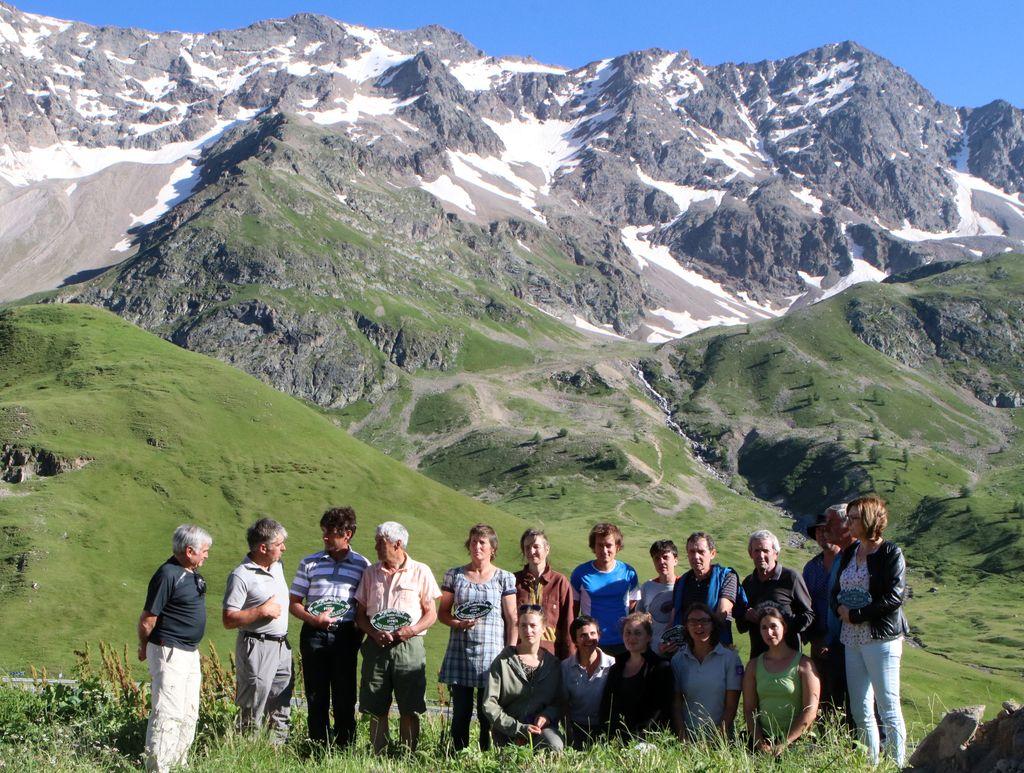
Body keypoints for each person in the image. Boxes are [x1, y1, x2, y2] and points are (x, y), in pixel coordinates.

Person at [832, 494, 909, 766]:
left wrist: (857, 614)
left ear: (868, 519)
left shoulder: (891, 553)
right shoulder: (850, 552)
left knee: (888, 706)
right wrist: (839, 609)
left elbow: (894, 597)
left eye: (853, 518)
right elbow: (837, 589)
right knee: (859, 708)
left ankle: (897, 764)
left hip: (880, 638)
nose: (848, 523)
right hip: (851, 637)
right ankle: (869, 764)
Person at [355, 520, 441, 753]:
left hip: (409, 645)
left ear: (397, 544)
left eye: (380, 542)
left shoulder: (420, 571)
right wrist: (373, 632)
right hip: (376, 645)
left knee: (410, 705)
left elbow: (431, 613)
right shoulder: (370, 573)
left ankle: (408, 754)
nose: (375, 547)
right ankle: (378, 753)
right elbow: (360, 615)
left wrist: (411, 630)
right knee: (375, 703)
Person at [288, 507, 371, 749]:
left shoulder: (363, 565)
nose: (325, 537)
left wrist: (358, 631)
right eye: (324, 532)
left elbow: (364, 605)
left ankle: (345, 746)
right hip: (314, 633)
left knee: (345, 693)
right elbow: (294, 602)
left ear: (348, 534)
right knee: (316, 693)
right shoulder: (310, 563)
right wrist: (314, 620)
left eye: (331, 533)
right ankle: (317, 746)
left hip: (346, 635)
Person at [137, 524, 212, 773]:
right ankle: (159, 767)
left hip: (190, 652)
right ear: (189, 551)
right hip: (169, 651)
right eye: (204, 551)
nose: (207, 555)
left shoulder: (190, 573)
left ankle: (179, 763)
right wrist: (144, 645)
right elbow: (148, 619)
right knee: (168, 711)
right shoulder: (168, 574)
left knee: (189, 712)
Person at [438, 524, 517, 751]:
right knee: (461, 713)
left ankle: (488, 755)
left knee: (487, 713)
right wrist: (457, 623)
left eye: (482, 542)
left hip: (492, 655)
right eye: (473, 542)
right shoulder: (454, 575)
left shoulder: (504, 578)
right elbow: (443, 613)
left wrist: (510, 652)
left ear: (493, 548)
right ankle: (458, 755)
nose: (477, 546)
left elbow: (511, 618)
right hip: (460, 652)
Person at [222, 518, 292, 743]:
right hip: (257, 645)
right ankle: (248, 753)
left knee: (281, 703)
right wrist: (261, 611)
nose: (284, 548)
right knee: (253, 704)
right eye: (279, 544)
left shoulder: (277, 567)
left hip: (282, 646)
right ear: (263, 547)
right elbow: (228, 619)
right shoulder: (241, 575)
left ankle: (276, 753)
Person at [482, 605, 564, 752]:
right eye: (523, 625)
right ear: (518, 628)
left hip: (541, 731)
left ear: (543, 628)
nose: (528, 630)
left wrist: (547, 715)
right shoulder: (503, 661)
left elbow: (559, 701)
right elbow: (489, 704)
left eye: (533, 625)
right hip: (507, 731)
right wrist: (517, 728)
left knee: (555, 745)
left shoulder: (553, 665)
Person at [742, 607, 820, 756]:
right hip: (764, 741)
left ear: (784, 627)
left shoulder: (804, 664)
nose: (769, 632)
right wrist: (760, 742)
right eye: (764, 628)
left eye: (773, 626)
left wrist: (784, 743)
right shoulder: (753, 666)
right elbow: (749, 709)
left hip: (797, 741)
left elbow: (810, 710)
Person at [670, 602, 743, 740]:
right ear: (686, 626)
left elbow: (731, 707)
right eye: (692, 622)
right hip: (688, 738)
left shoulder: (730, 658)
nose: (699, 626)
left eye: (704, 621)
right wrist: (683, 738)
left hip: (720, 739)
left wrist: (717, 739)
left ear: (713, 624)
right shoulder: (678, 660)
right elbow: (676, 705)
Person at [803, 504, 850, 716]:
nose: (822, 535)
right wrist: (815, 638)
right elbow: (806, 606)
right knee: (823, 695)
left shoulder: (849, 561)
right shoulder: (811, 568)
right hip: (819, 642)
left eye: (825, 529)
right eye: (818, 531)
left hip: (847, 640)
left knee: (849, 693)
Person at [736, 530, 814, 657]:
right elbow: (741, 626)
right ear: (750, 554)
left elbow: (809, 615)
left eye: (765, 551)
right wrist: (746, 615)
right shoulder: (748, 583)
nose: (761, 555)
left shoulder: (791, 578)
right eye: (756, 551)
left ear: (775, 554)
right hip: (759, 659)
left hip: (789, 658)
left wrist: (782, 624)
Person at [599, 612, 673, 739]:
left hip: (648, 739)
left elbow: (658, 711)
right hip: (615, 739)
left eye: (638, 633)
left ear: (648, 637)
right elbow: (607, 706)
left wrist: (637, 737)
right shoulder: (616, 668)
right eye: (628, 632)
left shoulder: (660, 667)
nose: (631, 637)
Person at [570, 523, 640, 655]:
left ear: (617, 547)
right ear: (593, 547)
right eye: (600, 545)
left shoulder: (629, 573)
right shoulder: (580, 574)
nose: (604, 550)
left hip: (623, 641)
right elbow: (573, 610)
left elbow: (633, 608)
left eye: (609, 545)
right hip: (591, 641)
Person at [671, 532, 742, 647]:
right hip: (686, 649)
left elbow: (722, 613)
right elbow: (675, 617)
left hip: (717, 647)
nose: (696, 557)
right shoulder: (681, 582)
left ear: (712, 553)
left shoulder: (727, 577)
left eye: (701, 552)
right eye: (692, 552)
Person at [514, 529, 574, 660]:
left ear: (547, 549)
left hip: (552, 655)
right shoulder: (514, 581)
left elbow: (568, 623)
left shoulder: (560, 582)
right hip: (520, 655)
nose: (531, 551)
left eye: (536, 547)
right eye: (527, 547)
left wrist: (570, 660)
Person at [560, 614, 615, 749]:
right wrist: (569, 733)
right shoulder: (565, 667)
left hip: (605, 728)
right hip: (576, 728)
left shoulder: (613, 664)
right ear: (575, 640)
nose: (589, 638)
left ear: (599, 635)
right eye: (583, 635)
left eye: (593, 633)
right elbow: (563, 704)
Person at [636, 539, 678, 653]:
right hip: (651, 650)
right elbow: (638, 617)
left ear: (675, 560)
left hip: (678, 650)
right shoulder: (648, 587)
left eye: (665, 557)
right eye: (657, 558)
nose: (661, 562)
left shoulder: (684, 586)